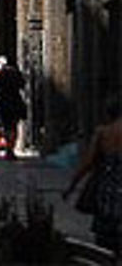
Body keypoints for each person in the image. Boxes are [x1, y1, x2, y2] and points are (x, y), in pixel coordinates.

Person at [65, 94, 122, 254]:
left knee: (106, 234)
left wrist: (72, 186)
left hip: (108, 187)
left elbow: (88, 162)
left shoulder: (102, 133)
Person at [0, 56, 26, 159]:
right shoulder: (16, 73)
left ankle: (8, 149)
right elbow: (22, 84)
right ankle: (11, 148)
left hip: (5, 102)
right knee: (13, 126)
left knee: (7, 126)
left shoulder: (2, 74)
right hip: (15, 101)